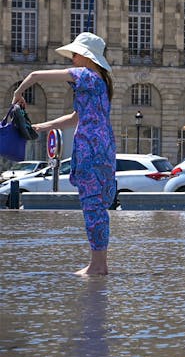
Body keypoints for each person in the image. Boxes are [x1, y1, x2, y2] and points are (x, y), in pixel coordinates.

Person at [12, 32, 116, 276]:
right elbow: (75, 118)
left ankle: (98, 266)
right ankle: (100, 263)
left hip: (90, 149)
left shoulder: (85, 75)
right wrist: (42, 126)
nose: (72, 60)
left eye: (74, 55)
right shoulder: (100, 81)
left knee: (92, 206)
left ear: (84, 56)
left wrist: (19, 92)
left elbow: (35, 75)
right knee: (97, 206)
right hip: (104, 148)